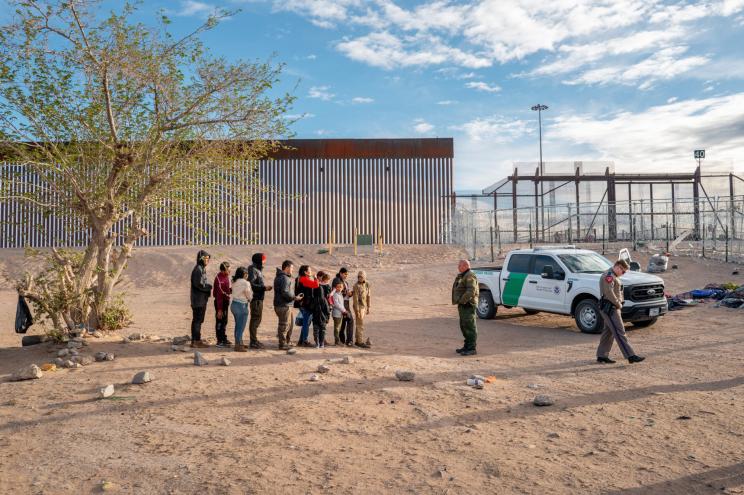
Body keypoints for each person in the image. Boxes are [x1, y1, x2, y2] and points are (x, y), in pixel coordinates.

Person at [597, 259, 646, 364]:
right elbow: (608, 292)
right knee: (620, 332)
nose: (623, 274)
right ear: (618, 267)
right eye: (623, 271)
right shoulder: (609, 276)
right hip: (610, 308)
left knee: (608, 332)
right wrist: (618, 304)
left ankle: (602, 355)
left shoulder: (613, 275)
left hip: (611, 308)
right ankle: (630, 355)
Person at [273, 260, 304, 350]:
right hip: (283, 305)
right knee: (284, 325)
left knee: (288, 325)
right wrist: (295, 298)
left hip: (283, 304)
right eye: (291, 268)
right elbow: (285, 292)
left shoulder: (281, 277)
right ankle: (282, 344)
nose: (292, 270)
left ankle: (286, 342)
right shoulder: (284, 278)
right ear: (286, 267)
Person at [452, 259, 479, 356]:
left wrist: (462, 300)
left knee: (469, 326)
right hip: (463, 305)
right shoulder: (463, 275)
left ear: (465, 266)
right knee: (464, 326)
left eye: (460, 266)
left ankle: (472, 348)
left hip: (468, 304)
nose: (458, 267)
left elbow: (471, 291)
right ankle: (467, 346)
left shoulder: (470, 275)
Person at [247, 253, 272, 349]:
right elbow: (251, 284)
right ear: (259, 260)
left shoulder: (257, 269)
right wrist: (264, 288)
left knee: (257, 319)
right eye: (263, 260)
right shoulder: (253, 269)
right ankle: (253, 341)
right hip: (255, 298)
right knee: (255, 319)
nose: (264, 262)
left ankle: (254, 340)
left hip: (259, 298)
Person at [190, 249, 212, 348]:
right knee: (197, 320)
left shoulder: (201, 269)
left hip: (201, 300)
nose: (207, 260)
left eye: (208, 259)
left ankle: (196, 340)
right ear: (201, 259)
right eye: (206, 258)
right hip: (198, 300)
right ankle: (196, 341)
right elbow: (198, 284)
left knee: (198, 320)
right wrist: (208, 287)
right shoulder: (198, 269)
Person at [295, 265, 319, 347]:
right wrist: (315, 278)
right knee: (306, 322)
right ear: (305, 272)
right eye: (309, 270)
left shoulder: (300, 278)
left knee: (306, 322)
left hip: (303, 303)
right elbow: (316, 285)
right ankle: (304, 341)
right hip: (305, 304)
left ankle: (301, 341)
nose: (311, 271)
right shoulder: (303, 279)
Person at [230, 266, 253, 352]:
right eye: (246, 273)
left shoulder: (234, 281)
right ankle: (238, 345)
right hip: (242, 306)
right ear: (244, 274)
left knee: (237, 325)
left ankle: (239, 343)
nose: (247, 275)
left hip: (234, 304)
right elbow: (248, 294)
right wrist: (250, 299)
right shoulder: (246, 283)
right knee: (241, 326)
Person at [213, 261, 233, 347]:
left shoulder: (226, 277)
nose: (230, 271)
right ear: (223, 270)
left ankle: (224, 338)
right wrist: (219, 310)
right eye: (228, 269)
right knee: (220, 321)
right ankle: (219, 340)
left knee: (225, 321)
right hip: (220, 303)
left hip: (225, 302)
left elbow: (227, 291)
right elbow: (219, 295)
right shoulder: (219, 279)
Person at [332, 268, 354, 346]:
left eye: (347, 274)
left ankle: (346, 341)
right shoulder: (336, 280)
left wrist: (350, 294)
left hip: (346, 302)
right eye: (345, 274)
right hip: (341, 303)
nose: (346, 276)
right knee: (345, 321)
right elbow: (336, 291)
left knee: (347, 321)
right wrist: (346, 293)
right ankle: (344, 341)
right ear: (341, 273)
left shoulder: (346, 282)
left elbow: (345, 293)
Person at [312, 271, 332, 348]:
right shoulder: (325, 300)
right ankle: (321, 343)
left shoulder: (314, 300)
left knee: (317, 330)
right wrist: (327, 318)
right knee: (322, 330)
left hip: (317, 317)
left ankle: (318, 343)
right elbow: (327, 310)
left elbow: (312, 308)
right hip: (322, 317)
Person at [352, 270, 371, 348]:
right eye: (359, 277)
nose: (360, 278)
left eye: (361, 277)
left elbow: (368, 296)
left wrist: (368, 307)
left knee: (359, 324)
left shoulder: (367, 284)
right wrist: (357, 310)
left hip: (363, 306)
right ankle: (359, 341)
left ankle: (357, 340)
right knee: (360, 324)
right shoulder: (356, 286)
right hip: (358, 306)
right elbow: (355, 299)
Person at [330, 279, 348, 346]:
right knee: (337, 328)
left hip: (340, 313)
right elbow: (337, 304)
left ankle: (338, 340)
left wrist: (343, 310)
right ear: (335, 287)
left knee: (339, 327)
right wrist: (344, 310)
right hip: (336, 313)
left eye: (341, 287)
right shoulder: (335, 294)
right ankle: (337, 341)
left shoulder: (340, 294)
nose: (339, 288)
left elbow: (341, 304)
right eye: (338, 287)